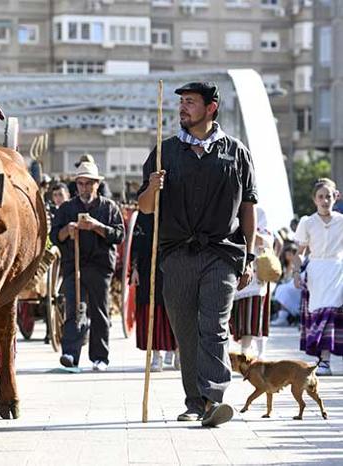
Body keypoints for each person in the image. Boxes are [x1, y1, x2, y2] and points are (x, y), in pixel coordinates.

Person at [138, 82, 257, 427]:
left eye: (191, 102)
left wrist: (247, 256)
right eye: (181, 103)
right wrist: (152, 187)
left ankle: (212, 398)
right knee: (186, 330)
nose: (183, 108)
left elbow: (248, 208)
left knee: (214, 325)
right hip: (176, 254)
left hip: (222, 252)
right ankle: (194, 401)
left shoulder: (236, 153)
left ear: (211, 107)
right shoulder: (165, 152)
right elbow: (145, 209)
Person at [51, 158, 125, 371]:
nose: (84, 188)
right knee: (75, 309)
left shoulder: (109, 208)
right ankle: (70, 354)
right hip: (74, 266)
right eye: (81, 183)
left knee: (100, 312)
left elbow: (119, 235)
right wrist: (68, 230)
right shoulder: (66, 208)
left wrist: (96, 227)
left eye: (89, 183)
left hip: (100, 267)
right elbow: (55, 235)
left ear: (96, 184)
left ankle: (100, 358)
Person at [294, 178, 343, 376]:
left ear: (336, 196)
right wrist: (296, 272)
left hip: (338, 270)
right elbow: (300, 252)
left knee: (333, 313)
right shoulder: (308, 222)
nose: (325, 201)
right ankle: (324, 360)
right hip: (316, 273)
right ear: (314, 199)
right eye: (321, 197)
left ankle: (326, 360)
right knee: (321, 315)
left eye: (328, 196)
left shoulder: (341, 221)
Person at [130, 212, 178, 372]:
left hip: (173, 266)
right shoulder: (144, 212)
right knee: (152, 310)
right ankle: (156, 355)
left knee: (177, 310)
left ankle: (179, 353)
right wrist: (135, 268)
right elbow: (136, 242)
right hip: (148, 268)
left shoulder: (176, 205)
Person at [229, 207, 274, 360]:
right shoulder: (228, 205)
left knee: (250, 317)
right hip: (230, 267)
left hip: (254, 273)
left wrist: (248, 229)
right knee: (232, 318)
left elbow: (268, 240)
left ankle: (245, 353)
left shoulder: (259, 212)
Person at [271, 242, 302, 325]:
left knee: (283, 290)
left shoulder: (299, 264)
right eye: (286, 254)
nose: (287, 256)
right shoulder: (283, 265)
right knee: (280, 290)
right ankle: (281, 316)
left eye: (289, 253)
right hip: (287, 286)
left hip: (296, 288)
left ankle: (284, 317)